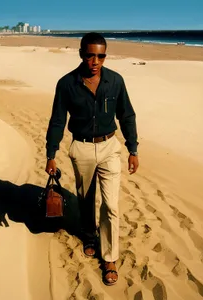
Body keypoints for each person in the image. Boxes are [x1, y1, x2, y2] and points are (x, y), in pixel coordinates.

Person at [45, 32, 139, 286]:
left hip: (110, 147)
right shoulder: (66, 84)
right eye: (90, 55)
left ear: (105, 56)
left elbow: (126, 115)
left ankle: (109, 257)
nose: (95, 61)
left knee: (111, 205)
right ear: (81, 54)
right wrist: (51, 153)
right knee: (85, 198)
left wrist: (133, 149)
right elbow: (57, 120)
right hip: (82, 148)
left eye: (100, 55)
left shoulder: (115, 81)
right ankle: (88, 235)